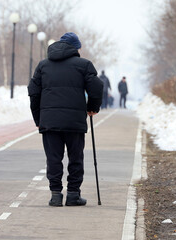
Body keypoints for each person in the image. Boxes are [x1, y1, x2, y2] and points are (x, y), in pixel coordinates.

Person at [28, 32, 103, 207]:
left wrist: (38, 118)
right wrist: (93, 107)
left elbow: (34, 93)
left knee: (53, 158)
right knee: (75, 158)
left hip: (50, 122)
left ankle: (55, 195)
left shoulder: (43, 65)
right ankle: (73, 195)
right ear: (76, 48)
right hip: (74, 121)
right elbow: (97, 87)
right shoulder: (83, 65)